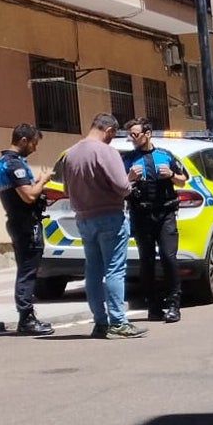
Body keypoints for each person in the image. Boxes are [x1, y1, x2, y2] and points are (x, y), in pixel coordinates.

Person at [61, 113, 145, 339]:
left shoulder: (70, 154)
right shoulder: (107, 152)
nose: (112, 139)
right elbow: (122, 187)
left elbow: (66, 191)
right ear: (108, 131)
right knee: (115, 269)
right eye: (113, 135)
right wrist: (131, 178)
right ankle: (118, 321)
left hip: (83, 219)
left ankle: (100, 322)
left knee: (93, 271)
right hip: (109, 216)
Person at [121, 118, 186, 324]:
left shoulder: (165, 155)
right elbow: (119, 186)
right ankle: (153, 306)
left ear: (147, 134)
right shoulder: (128, 159)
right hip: (141, 215)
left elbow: (184, 179)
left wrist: (171, 175)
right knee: (146, 261)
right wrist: (130, 177)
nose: (132, 138)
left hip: (165, 213)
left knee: (168, 257)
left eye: (135, 134)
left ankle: (174, 304)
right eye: (129, 135)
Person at [0, 123, 54, 336]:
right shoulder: (13, 165)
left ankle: (27, 316)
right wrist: (43, 181)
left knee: (26, 269)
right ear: (24, 140)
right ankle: (26, 318)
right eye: (34, 143)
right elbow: (28, 196)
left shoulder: (2, 162)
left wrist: (36, 185)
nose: (35, 149)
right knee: (28, 271)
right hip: (25, 224)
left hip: (18, 222)